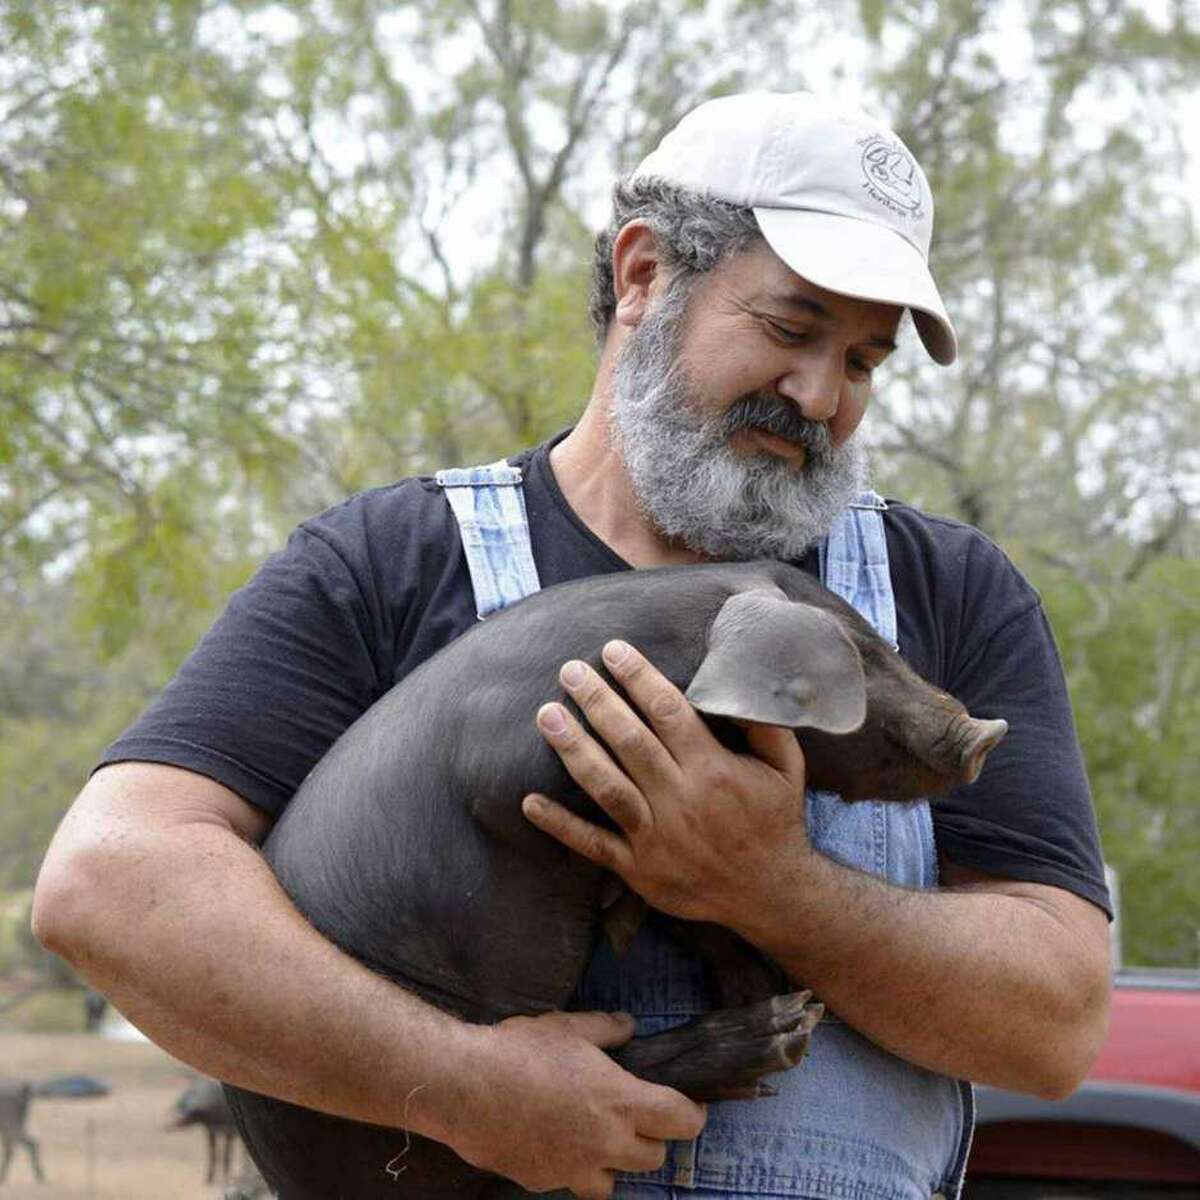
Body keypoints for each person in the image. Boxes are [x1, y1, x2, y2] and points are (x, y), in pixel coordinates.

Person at [32, 92, 1111, 1199]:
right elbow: (112, 885)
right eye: (791, 330)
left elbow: (1056, 1026)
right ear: (644, 274)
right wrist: (451, 1081)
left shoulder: (950, 593)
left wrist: (772, 888)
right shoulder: (395, 561)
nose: (820, 395)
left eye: (865, 362)